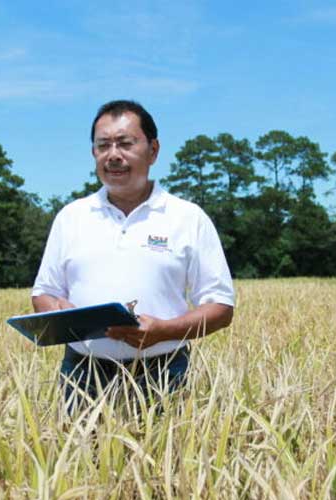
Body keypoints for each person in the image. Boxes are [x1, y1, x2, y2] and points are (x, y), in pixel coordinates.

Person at [31, 100, 235, 410]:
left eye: (125, 144)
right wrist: (59, 311)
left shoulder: (187, 218)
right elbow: (43, 293)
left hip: (163, 372)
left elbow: (221, 307)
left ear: (153, 150)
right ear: (93, 154)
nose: (113, 155)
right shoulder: (71, 217)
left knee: (166, 458)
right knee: (78, 457)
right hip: (82, 373)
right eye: (103, 146)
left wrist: (165, 331)